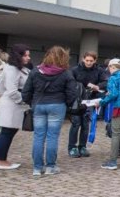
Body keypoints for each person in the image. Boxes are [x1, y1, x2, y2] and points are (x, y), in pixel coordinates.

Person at [21, 46, 78, 176]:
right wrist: (67, 105)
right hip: (57, 105)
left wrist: (32, 103)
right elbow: (72, 93)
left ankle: (37, 168)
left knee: (38, 136)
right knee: (52, 136)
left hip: (39, 105)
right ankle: (50, 167)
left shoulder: (35, 71)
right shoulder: (65, 73)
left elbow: (26, 92)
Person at [0, 44, 31, 170]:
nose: (28, 58)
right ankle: (0, 160)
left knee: (8, 132)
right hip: (12, 105)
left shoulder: (17, 68)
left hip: (15, 105)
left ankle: (1, 159)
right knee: (6, 133)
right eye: (25, 55)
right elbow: (12, 91)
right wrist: (24, 102)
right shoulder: (12, 69)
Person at [69, 52, 107, 158]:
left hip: (90, 100)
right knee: (76, 124)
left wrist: (97, 86)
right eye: (87, 60)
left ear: (95, 60)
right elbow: (70, 83)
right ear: (83, 59)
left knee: (85, 125)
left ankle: (82, 146)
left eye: (91, 61)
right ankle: (72, 147)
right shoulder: (75, 70)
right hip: (77, 100)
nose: (89, 63)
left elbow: (105, 82)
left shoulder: (99, 70)